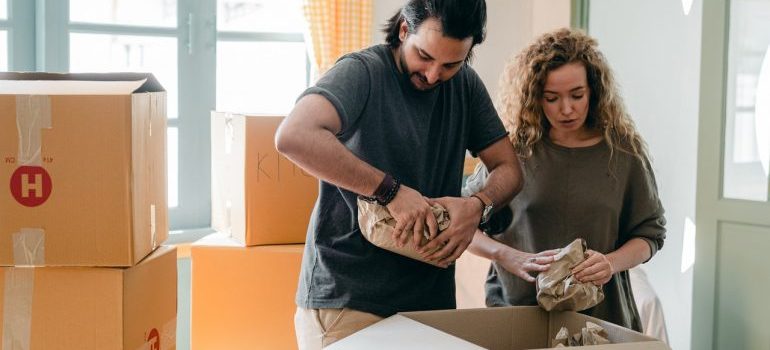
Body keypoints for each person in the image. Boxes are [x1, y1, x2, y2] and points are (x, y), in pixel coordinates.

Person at [274, 0, 523, 348]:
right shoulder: (362, 72)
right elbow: (294, 136)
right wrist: (389, 191)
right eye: (424, 56)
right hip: (349, 303)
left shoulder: (466, 85)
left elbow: (509, 169)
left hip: (431, 303)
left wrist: (478, 204)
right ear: (404, 29)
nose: (435, 74)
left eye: (451, 63)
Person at [465, 28, 666, 331]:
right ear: (535, 97)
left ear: (594, 91)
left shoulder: (624, 154)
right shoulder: (514, 154)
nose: (567, 109)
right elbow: (462, 224)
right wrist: (507, 255)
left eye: (577, 95)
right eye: (552, 98)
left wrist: (610, 263)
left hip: (600, 318)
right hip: (518, 315)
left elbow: (650, 234)